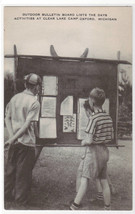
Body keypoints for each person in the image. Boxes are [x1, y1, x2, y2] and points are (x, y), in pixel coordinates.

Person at [70, 88, 114, 210]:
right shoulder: (108, 117)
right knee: (103, 180)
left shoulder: (93, 119)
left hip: (93, 152)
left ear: (91, 101)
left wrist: (83, 142)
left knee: (85, 179)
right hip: (104, 152)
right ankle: (107, 207)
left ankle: (75, 205)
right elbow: (110, 137)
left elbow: (88, 140)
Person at [4, 73, 41, 209]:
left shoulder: (15, 98)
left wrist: (12, 137)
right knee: (23, 174)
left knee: (10, 170)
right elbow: (26, 125)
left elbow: (6, 118)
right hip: (27, 143)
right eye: (38, 86)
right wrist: (14, 138)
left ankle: (6, 194)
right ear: (36, 87)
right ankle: (21, 200)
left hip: (15, 141)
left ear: (25, 85)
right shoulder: (34, 102)